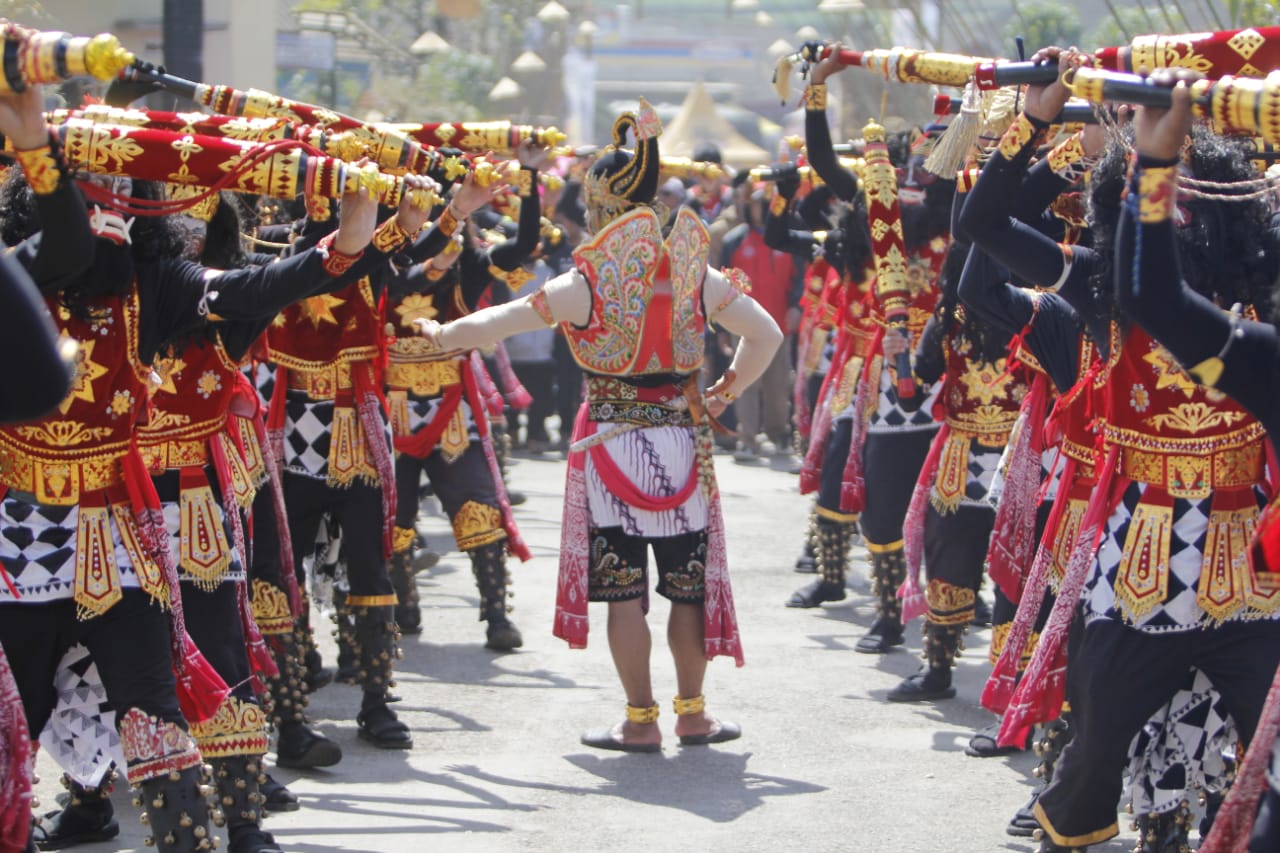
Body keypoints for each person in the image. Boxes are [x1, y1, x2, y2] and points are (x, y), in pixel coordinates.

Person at [962, 48, 1280, 852]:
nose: (1174, 229)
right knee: (1096, 742)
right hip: (1144, 549)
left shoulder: (1258, 303)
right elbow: (982, 230)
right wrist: (1033, 121)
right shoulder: (1108, 282)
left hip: (1255, 565)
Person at [414, 101, 782, 751]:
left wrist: (438, 334)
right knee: (686, 588)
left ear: (600, 204)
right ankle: (693, 712)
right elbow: (766, 333)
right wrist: (726, 390)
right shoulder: (695, 271)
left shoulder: (586, 279)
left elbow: (496, 323)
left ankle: (639, 720)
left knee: (625, 594)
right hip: (679, 440)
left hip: (610, 443)